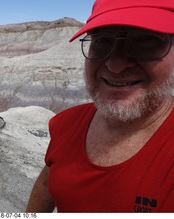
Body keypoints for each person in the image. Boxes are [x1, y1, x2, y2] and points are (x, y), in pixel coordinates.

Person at [25, 0, 174, 213]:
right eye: (103, 40)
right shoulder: (65, 124)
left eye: (145, 40)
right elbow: (48, 183)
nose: (115, 65)